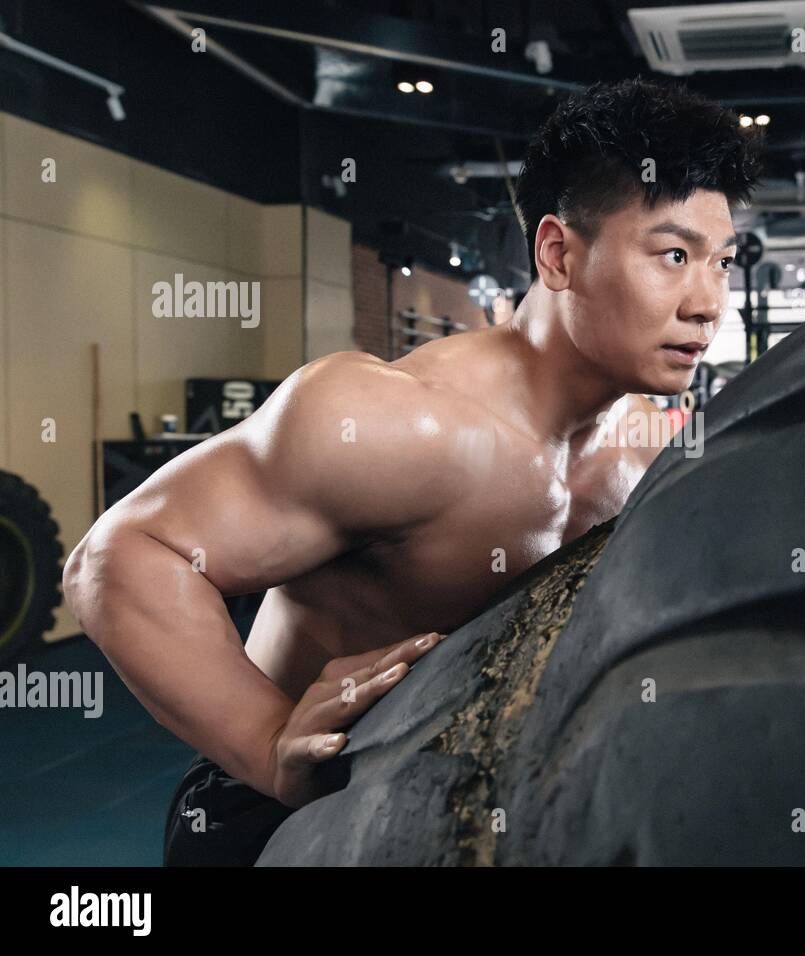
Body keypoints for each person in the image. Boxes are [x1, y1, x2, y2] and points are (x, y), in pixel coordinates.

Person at [62, 77, 763, 865]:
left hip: (468, 803)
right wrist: (264, 740)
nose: (710, 303)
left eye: (723, 264)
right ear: (558, 254)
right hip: (288, 813)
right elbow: (119, 558)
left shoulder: (653, 450)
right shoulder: (393, 422)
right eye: (673, 256)